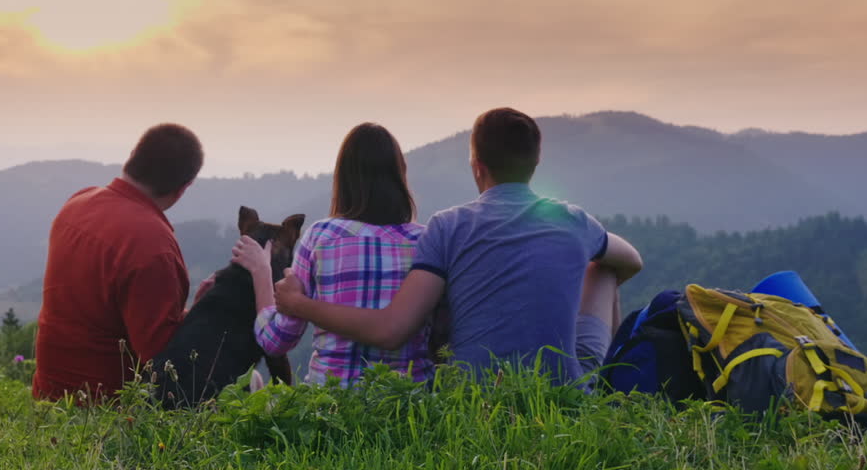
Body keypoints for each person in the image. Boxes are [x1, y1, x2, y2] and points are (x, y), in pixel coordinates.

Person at [274, 107, 643, 385]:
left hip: (474, 391)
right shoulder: (571, 219)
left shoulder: (448, 226)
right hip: (562, 388)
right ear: (536, 163)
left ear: (477, 167)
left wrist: (299, 304)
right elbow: (630, 260)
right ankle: (606, 395)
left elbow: (391, 330)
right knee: (604, 269)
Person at [232, 123, 434, 385]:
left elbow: (275, 341)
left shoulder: (322, 236)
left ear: (343, 179)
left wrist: (261, 272)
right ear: (400, 175)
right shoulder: (426, 241)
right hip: (409, 401)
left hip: (329, 401)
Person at [32, 123, 208, 401]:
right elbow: (162, 359)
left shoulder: (78, 202)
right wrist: (203, 314)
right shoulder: (152, 245)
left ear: (133, 157)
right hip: (104, 408)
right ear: (183, 188)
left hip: (48, 395)